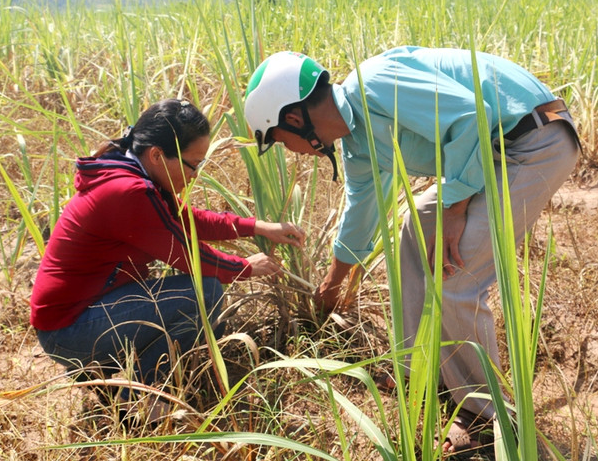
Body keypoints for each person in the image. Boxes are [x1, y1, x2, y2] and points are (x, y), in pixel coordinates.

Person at [243, 46, 579, 453]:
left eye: (281, 141)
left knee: (456, 277)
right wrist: (331, 286)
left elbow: (471, 116)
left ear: (295, 119)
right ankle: (420, 368)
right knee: (417, 223)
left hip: (533, 140)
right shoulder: (357, 143)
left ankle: (486, 416)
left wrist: (455, 209)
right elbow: (362, 210)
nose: (291, 151)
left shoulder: (374, 84)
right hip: (494, 150)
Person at [30, 99, 305, 421]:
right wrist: (244, 267)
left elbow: (185, 219)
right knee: (205, 294)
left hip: (81, 316)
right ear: (157, 155)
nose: (196, 175)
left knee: (206, 309)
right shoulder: (128, 192)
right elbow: (186, 255)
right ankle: (137, 398)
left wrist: (256, 226)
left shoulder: (131, 173)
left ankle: (107, 370)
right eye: (193, 164)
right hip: (69, 332)